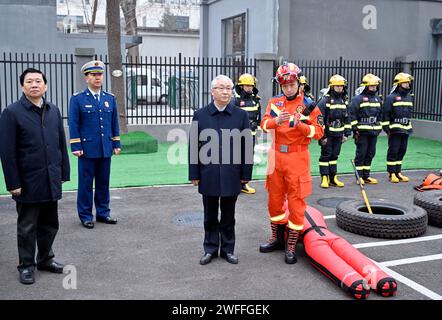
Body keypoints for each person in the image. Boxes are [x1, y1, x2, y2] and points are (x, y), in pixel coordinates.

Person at [0, 68, 70, 284]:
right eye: (29, 81)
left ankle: (46, 259)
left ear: (45, 86)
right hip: (27, 181)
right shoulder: (11, 113)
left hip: (51, 179)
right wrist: (13, 182)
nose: (34, 84)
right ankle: (26, 265)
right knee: (27, 226)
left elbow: (60, 144)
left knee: (50, 224)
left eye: (38, 81)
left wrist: (63, 173)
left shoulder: (53, 111)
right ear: (22, 87)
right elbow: (7, 151)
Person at [259, 62, 324, 264]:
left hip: (297, 158)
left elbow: (319, 132)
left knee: (296, 203)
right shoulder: (275, 103)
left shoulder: (309, 105)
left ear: (298, 82)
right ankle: (277, 238)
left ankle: (291, 245)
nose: (288, 88)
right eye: (284, 85)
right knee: (274, 200)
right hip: (276, 157)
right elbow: (263, 124)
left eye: (291, 84)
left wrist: (302, 126)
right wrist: (275, 122)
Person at [189, 75, 253, 265]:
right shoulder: (200, 115)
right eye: (221, 88)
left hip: (231, 174)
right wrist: (194, 174)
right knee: (209, 215)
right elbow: (194, 146)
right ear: (212, 92)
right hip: (207, 174)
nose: (225, 92)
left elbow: (246, 147)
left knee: (228, 215)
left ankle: (227, 249)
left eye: (228, 88)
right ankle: (209, 248)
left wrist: (245, 174)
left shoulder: (241, 115)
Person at [69, 60, 121, 229]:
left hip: (105, 148)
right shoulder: (77, 99)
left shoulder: (110, 98)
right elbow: (74, 124)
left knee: (103, 182)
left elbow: (114, 123)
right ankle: (85, 215)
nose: (97, 78)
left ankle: (103, 213)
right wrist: (76, 146)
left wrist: (116, 143)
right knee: (85, 184)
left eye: (100, 74)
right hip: (87, 149)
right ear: (86, 78)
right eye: (93, 75)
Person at [317, 74, 351, 188]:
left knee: (334, 156)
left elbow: (347, 117)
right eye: (337, 86)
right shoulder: (325, 100)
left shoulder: (343, 100)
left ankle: (333, 178)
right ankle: (324, 178)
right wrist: (323, 136)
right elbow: (320, 119)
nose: (340, 88)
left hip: (339, 134)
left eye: (341, 86)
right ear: (332, 87)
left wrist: (346, 133)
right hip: (328, 134)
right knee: (326, 155)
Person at [350, 73, 383, 184]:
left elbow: (380, 114)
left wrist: (379, 127)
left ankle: (366, 176)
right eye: (372, 86)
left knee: (370, 153)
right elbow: (352, 114)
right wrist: (355, 129)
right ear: (366, 86)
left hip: (373, 131)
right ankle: (359, 177)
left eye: (375, 86)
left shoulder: (377, 99)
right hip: (362, 132)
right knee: (361, 153)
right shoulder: (358, 99)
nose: (374, 88)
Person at [382, 72, 414, 183]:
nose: (408, 85)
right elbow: (385, 114)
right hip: (395, 130)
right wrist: (387, 129)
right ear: (399, 84)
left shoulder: (409, 97)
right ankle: (391, 173)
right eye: (405, 83)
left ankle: (398, 172)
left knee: (402, 150)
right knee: (393, 151)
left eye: (408, 83)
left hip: (405, 129)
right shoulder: (391, 97)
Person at [233, 73, 261, 194]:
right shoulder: (235, 100)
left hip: (251, 135)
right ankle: (234, 183)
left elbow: (257, 118)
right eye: (247, 86)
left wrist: (257, 130)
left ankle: (244, 184)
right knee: (236, 159)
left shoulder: (256, 100)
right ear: (241, 86)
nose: (249, 88)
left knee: (248, 160)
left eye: (251, 85)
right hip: (237, 135)